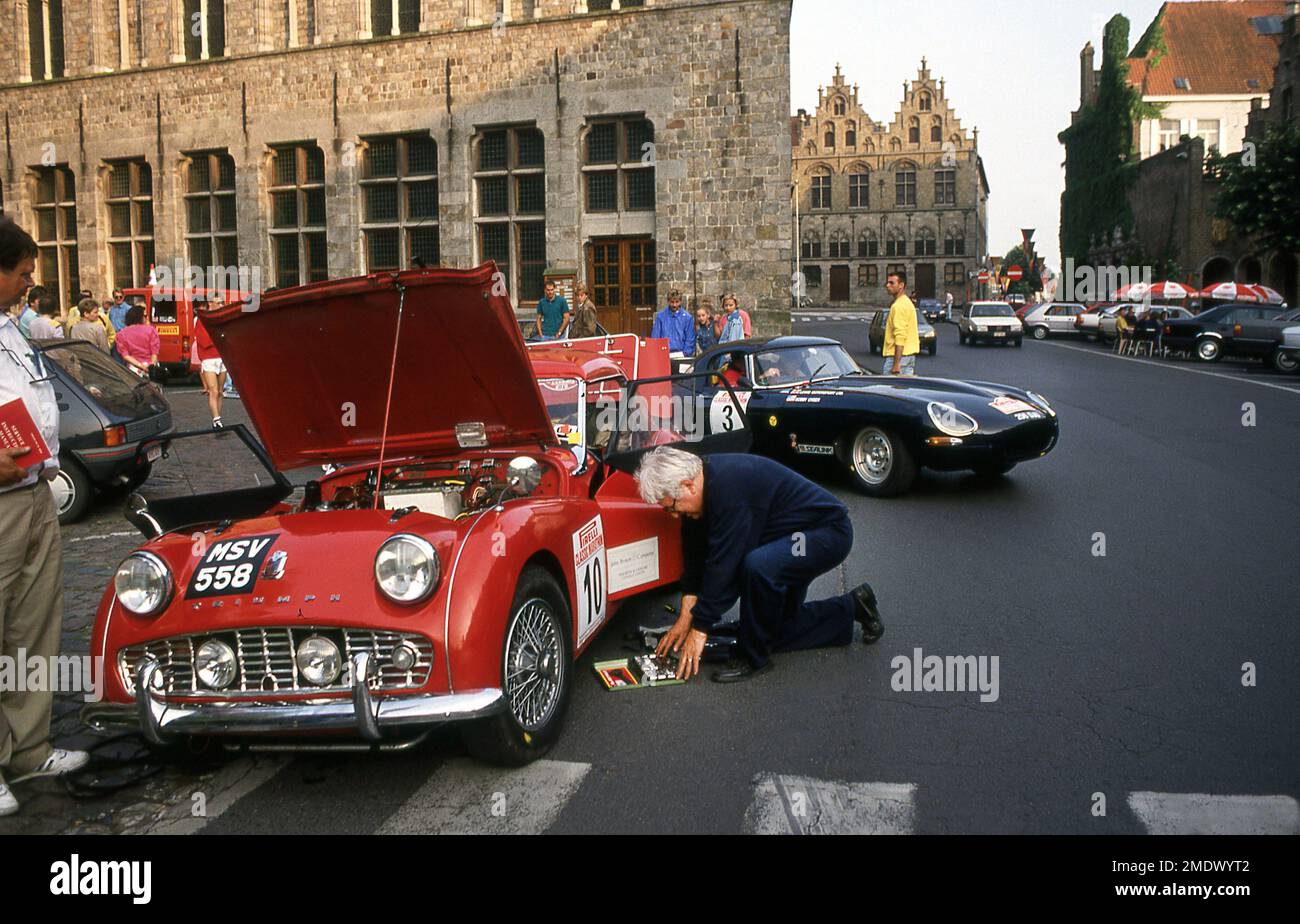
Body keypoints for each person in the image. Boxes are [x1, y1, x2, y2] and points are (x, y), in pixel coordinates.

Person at [636, 447, 884, 683]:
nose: (673, 515)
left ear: (687, 486)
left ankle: (755, 659)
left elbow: (724, 567)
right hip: (790, 535)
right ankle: (854, 606)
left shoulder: (729, 491)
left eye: (672, 507)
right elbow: (695, 552)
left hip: (824, 535)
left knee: (758, 566)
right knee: (771, 628)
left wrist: (700, 628)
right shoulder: (700, 483)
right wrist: (686, 615)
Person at [0, 218, 90, 818]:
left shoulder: (10, 326)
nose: (31, 284)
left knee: (33, 629)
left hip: (32, 493)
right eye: (24, 273)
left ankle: (28, 749)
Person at [194, 299, 228, 429]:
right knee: (213, 390)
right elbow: (204, 341)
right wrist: (220, 338)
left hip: (222, 357)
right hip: (209, 359)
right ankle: (216, 419)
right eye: (219, 303)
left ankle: (218, 417)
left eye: (222, 303)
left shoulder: (222, 317)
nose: (221, 305)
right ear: (211, 303)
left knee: (219, 391)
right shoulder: (202, 319)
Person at [882, 271, 920, 375]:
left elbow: (900, 336)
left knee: (890, 390)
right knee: (904, 389)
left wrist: (896, 364)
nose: (887, 285)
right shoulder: (907, 302)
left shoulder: (898, 306)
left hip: (897, 357)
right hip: (908, 356)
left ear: (901, 285)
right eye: (887, 282)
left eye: (891, 283)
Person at [114, 304, 160, 376]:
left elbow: (125, 355)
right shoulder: (151, 330)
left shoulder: (121, 334)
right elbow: (154, 352)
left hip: (133, 368)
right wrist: (151, 365)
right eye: (145, 316)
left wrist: (140, 365)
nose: (147, 317)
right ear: (139, 317)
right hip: (151, 368)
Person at [651, 289, 696, 355]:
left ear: (680, 301)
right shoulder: (660, 317)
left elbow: (690, 339)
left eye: (677, 302)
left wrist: (685, 354)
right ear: (668, 302)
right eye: (672, 302)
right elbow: (655, 337)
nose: (674, 305)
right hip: (664, 354)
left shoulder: (687, 318)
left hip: (681, 355)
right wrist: (658, 353)